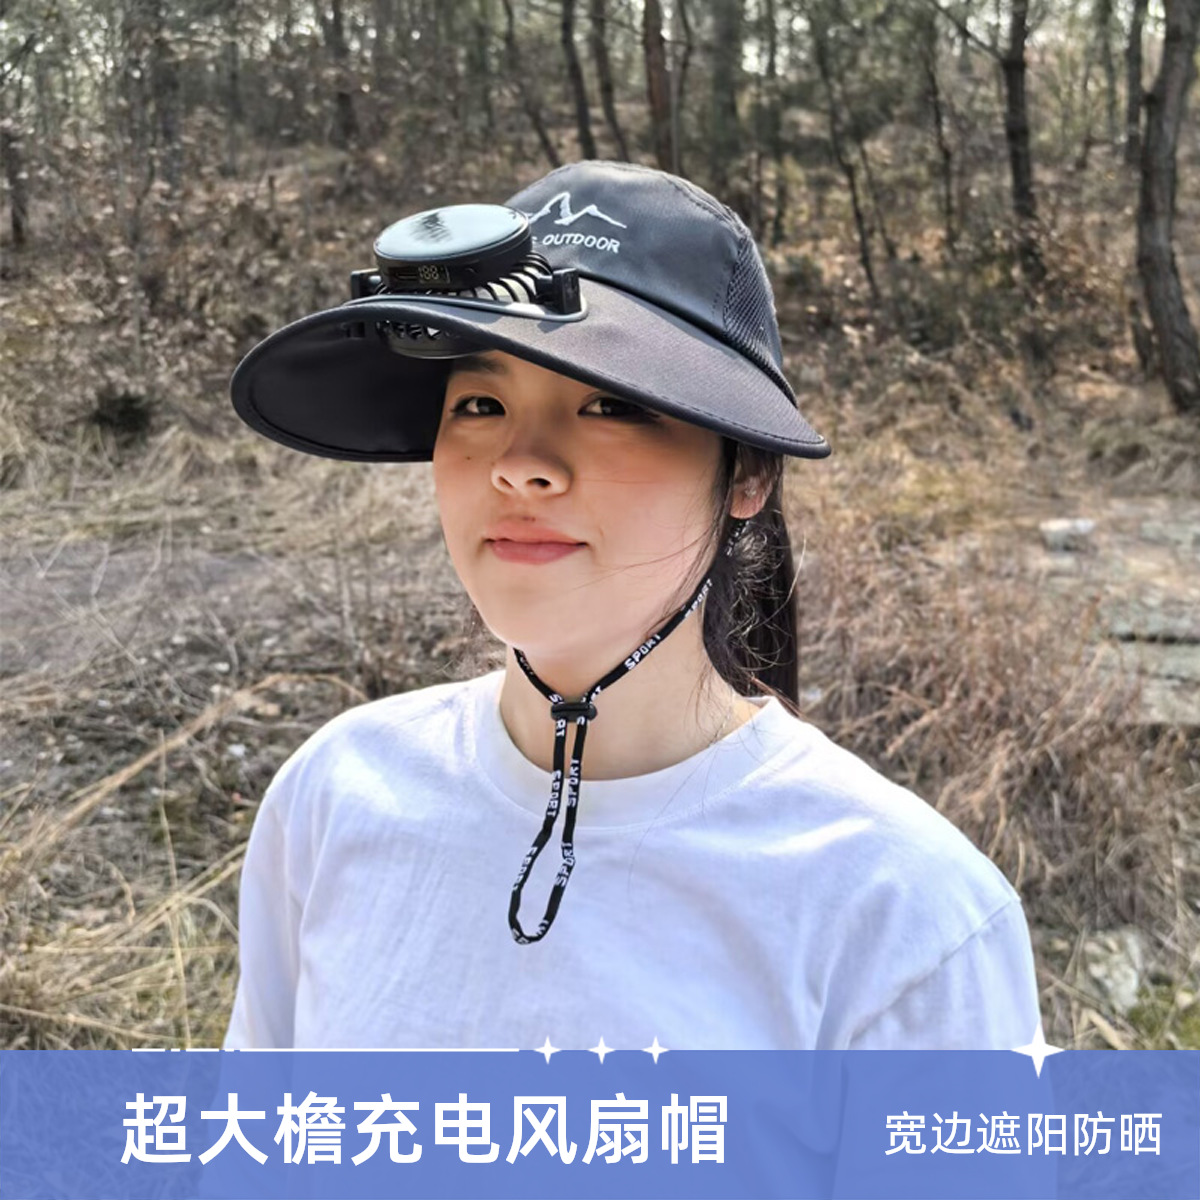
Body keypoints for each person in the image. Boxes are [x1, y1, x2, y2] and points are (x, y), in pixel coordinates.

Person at [223, 160, 1041, 1050]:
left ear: (748, 473)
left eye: (610, 404)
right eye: (482, 403)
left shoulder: (900, 911)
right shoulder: (336, 796)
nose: (521, 465)